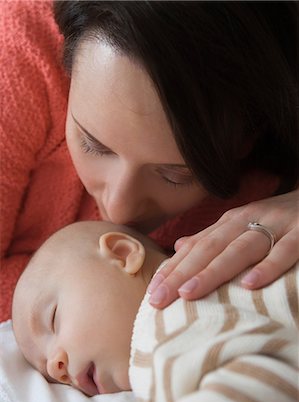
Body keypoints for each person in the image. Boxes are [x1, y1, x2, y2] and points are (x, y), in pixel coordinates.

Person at [1, 1, 298, 322]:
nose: (119, 210)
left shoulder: (266, 192)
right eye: (93, 145)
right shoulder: (18, 55)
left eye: (175, 175)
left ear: (248, 139)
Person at [12, 220, 298, 402]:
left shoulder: (167, 319)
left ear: (123, 255)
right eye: (48, 373)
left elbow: (261, 388)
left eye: (53, 319)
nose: (54, 367)